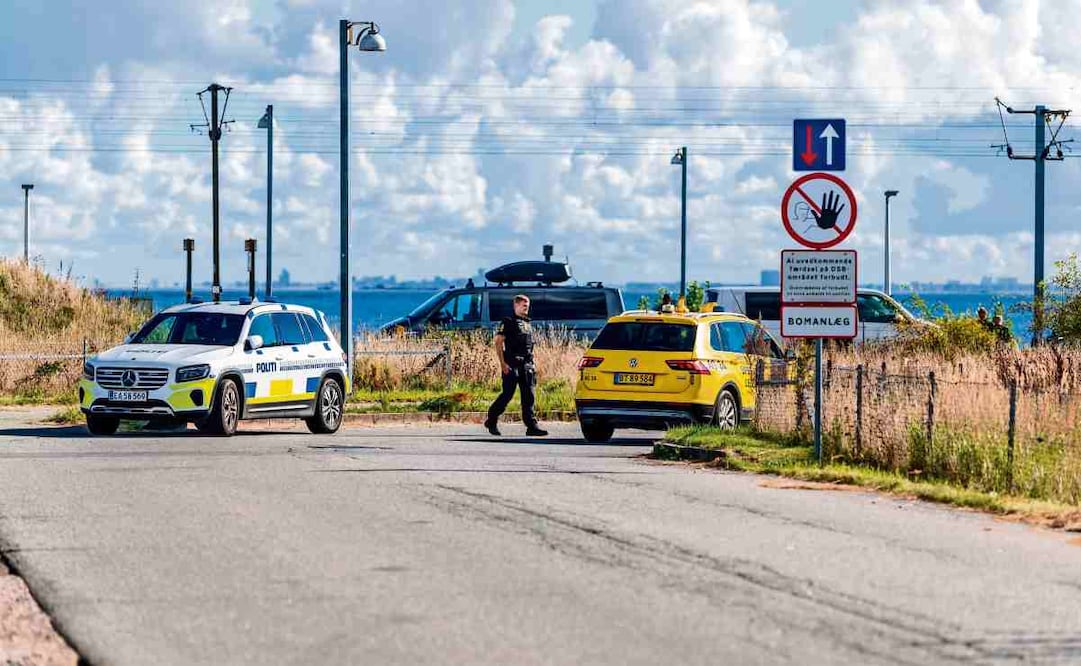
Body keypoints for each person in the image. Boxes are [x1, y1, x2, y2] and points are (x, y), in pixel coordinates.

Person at [485, 295, 548, 437]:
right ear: (516, 305)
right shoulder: (508, 322)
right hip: (511, 364)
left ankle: (531, 426)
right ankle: (492, 419)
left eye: (528, 305)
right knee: (507, 395)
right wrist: (503, 363)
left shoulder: (527, 323)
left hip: (526, 365)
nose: (526, 308)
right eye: (524, 305)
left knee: (529, 396)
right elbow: (498, 342)